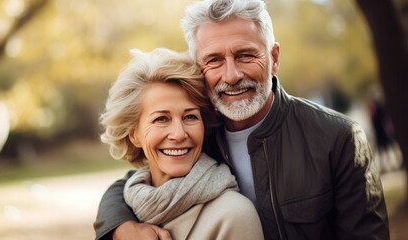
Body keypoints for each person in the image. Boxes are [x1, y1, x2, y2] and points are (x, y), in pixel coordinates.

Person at [94, 0, 390, 239]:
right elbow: (134, 181)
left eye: (246, 55)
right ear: (198, 68)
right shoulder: (196, 133)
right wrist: (119, 227)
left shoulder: (336, 137)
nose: (232, 75)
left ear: (274, 58)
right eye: (214, 60)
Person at [97, 47, 263, 239]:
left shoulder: (234, 215)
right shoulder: (126, 210)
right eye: (161, 119)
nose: (178, 134)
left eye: (190, 117)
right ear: (134, 134)